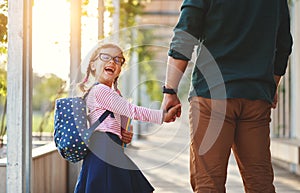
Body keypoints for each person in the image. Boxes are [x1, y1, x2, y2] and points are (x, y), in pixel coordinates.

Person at [162, 0, 293, 192]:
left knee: (208, 183)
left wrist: (170, 91)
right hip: (255, 97)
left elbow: (185, 36)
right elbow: (283, 45)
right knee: (260, 181)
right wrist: (271, 85)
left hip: (212, 96)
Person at [74, 43, 181, 193]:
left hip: (107, 150)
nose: (112, 62)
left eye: (118, 60)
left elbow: (118, 119)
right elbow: (132, 110)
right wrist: (162, 116)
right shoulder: (100, 91)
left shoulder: (109, 93)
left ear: (119, 70)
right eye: (105, 57)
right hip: (104, 151)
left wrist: (124, 133)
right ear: (92, 65)